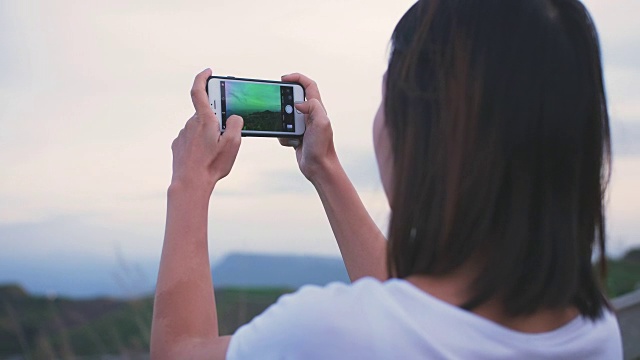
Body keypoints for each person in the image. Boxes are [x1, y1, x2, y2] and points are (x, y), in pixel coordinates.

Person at [150, 0, 623, 358]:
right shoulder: (593, 327)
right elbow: (415, 312)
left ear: (424, 135)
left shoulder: (329, 333)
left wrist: (191, 184)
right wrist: (323, 167)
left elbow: (180, 352)